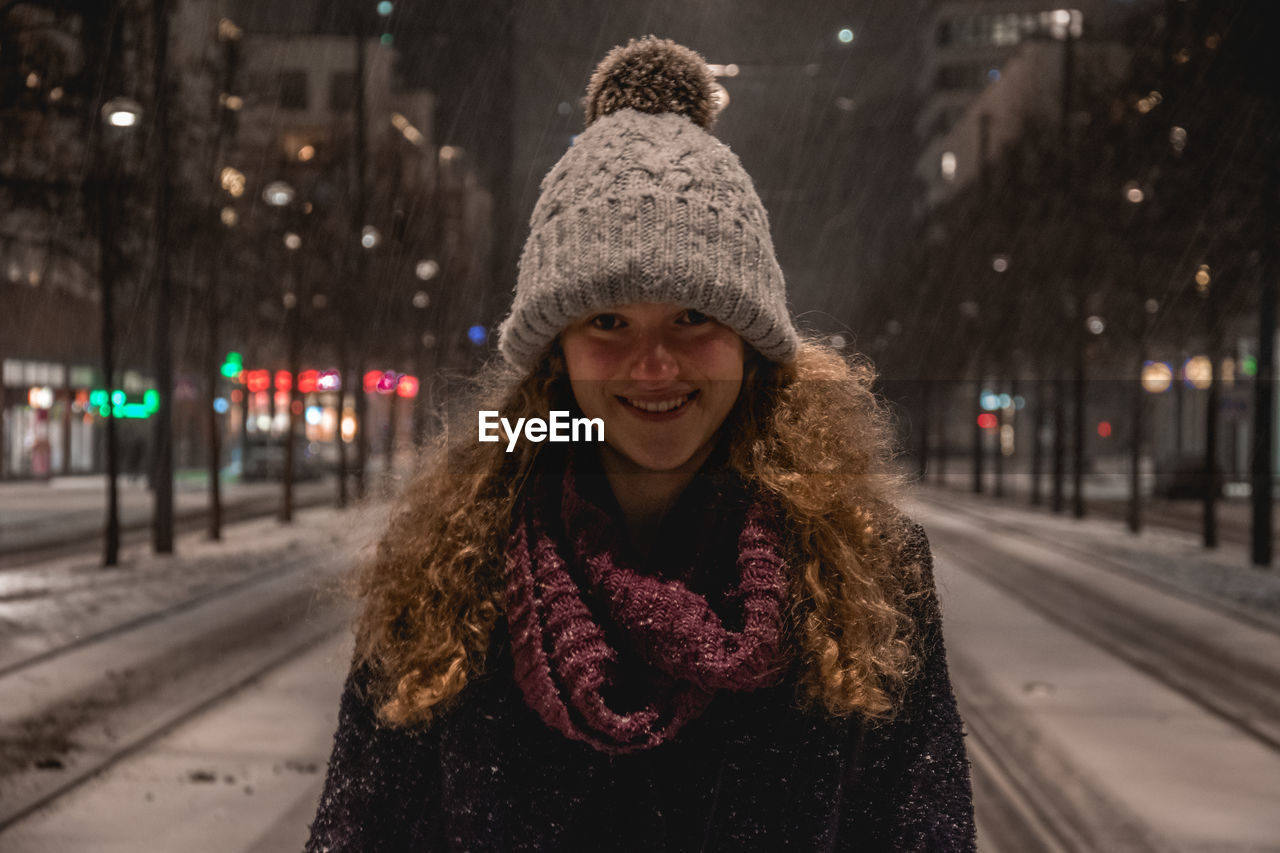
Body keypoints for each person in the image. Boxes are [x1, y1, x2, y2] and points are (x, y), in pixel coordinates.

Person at [307, 36, 975, 852]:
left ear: (749, 343)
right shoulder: (442, 574)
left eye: (693, 317)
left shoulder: (871, 574)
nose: (653, 363)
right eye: (608, 321)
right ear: (556, 352)